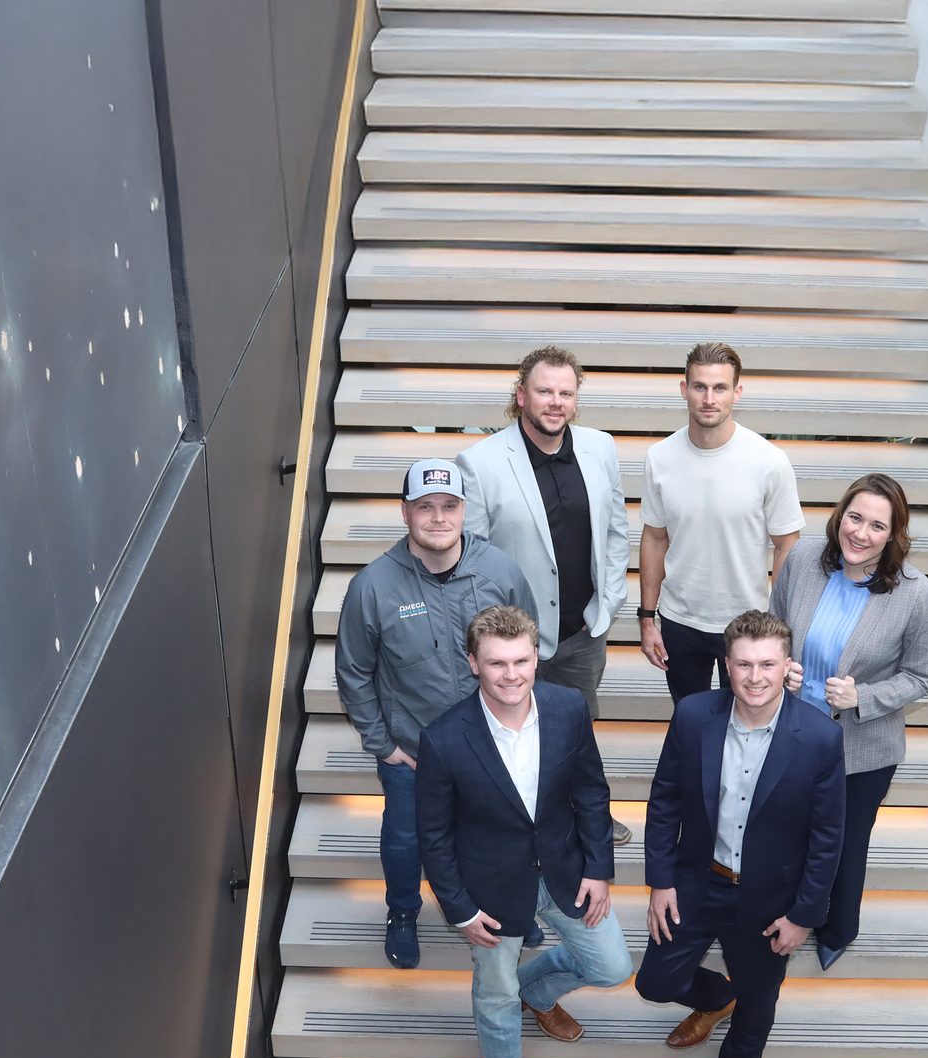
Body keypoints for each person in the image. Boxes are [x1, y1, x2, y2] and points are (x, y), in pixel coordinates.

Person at [416, 605, 634, 1058]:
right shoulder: (444, 738)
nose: (511, 674)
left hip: (565, 869)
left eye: (521, 660)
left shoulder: (567, 708)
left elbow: (590, 791)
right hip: (489, 892)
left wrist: (599, 868)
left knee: (612, 967)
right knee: (493, 993)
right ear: (473, 664)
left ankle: (533, 992)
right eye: (497, 663)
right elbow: (435, 836)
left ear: (537, 657)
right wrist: (459, 908)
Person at [633, 610, 844, 1058]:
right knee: (655, 982)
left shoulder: (818, 736)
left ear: (787, 666)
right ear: (726, 665)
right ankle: (715, 997)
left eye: (768, 665)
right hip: (697, 881)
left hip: (769, 898)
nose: (755, 677)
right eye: (744, 664)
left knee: (759, 1000)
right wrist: (661, 880)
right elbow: (665, 801)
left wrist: (804, 915)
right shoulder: (693, 716)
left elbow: (827, 839)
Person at [333, 459, 536, 970]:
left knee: (500, 832)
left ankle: (510, 908)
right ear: (405, 513)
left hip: (492, 745)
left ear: (464, 511)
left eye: (449, 506)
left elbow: (531, 651)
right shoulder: (372, 586)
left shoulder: (500, 571)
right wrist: (384, 746)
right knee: (406, 839)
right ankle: (402, 912)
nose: (438, 518)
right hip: (415, 751)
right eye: (426, 507)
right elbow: (353, 673)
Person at [458, 344, 633, 845]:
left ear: (576, 400)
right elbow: (472, 561)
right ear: (521, 395)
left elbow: (617, 532)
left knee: (577, 731)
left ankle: (586, 816)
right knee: (512, 737)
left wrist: (608, 604)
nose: (555, 402)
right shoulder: (480, 462)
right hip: (515, 644)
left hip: (583, 633)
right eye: (544, 391)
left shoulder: (600, 447)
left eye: (565, 393)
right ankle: (524, 826)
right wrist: (498, 637)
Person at [772, 474, 928, 972]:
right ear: (839, 515)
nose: (861, 533)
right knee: (789, 830)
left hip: (862, 748)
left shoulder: (917, 594)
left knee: (843, 842)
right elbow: (774, 621)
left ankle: (838, 925)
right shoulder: (804, 559)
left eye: (876, 525)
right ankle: (790, 911)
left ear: (893, 535)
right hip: (794, 729)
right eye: (855, 517)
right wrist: (781, 663)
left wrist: (861, 696)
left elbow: (921, 676)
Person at [637, 342, 804, 702]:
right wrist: (647, 618)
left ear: (737, 392)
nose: (709, 398)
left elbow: (787, 544)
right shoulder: (659, 458)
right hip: (680, 621)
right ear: (685, 390)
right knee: (690, 723)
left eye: (720, 388)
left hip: (748, 624)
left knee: (749, 724)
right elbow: (653, 538)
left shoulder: (769, 461)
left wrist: (778, 626)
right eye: (700, 387)